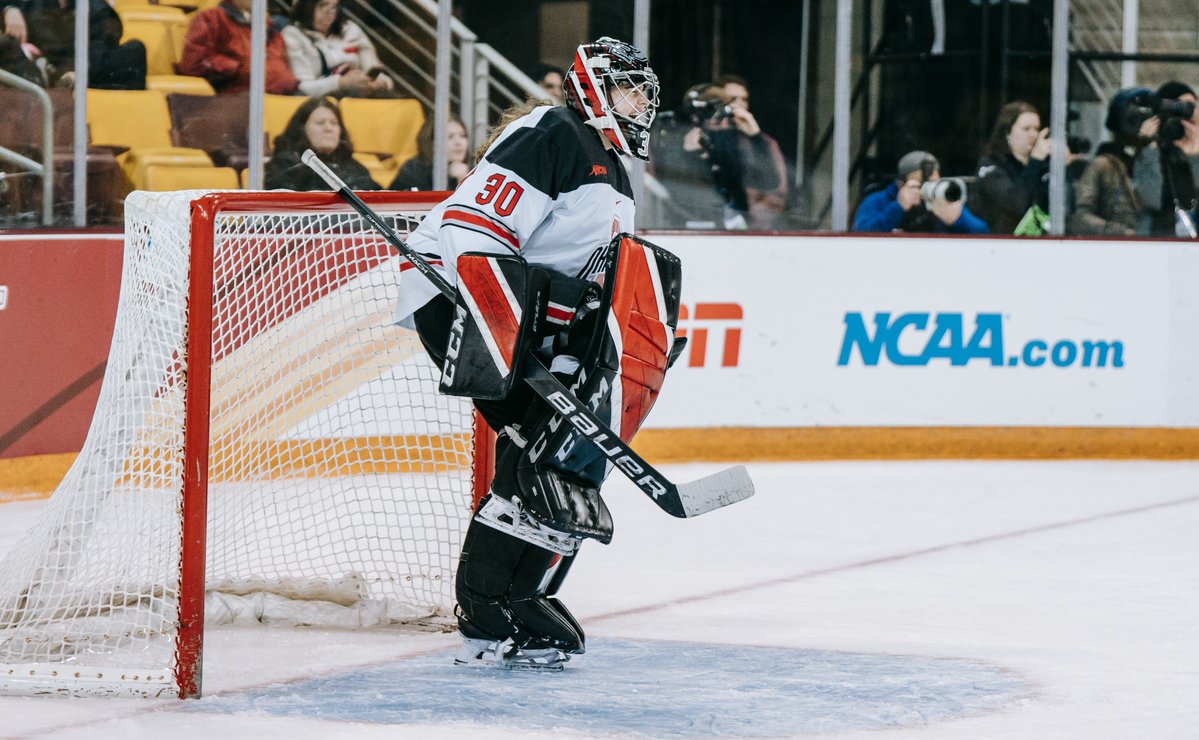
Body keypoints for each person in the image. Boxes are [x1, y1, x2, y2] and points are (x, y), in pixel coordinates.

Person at [393, 37, 679, 670]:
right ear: (594, 87)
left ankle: (517, 597)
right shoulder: (552, 131)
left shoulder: (613, 166)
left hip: (522, 316)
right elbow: (475, 234)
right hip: (469, 303)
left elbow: (601, 272)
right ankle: (488, 610)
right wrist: (509, 331)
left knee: (556, 458)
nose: (641, 103)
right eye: (629, 88)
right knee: (540, 453)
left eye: (645, 92)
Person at [650, 82, 780, 230]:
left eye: (724, 114)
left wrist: (756, 137)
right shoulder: (678, 143)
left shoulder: (732, 142)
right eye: (711, 115)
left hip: (736, 233)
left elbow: (769, 182)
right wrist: (687, 155)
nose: (721, 123)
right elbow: (673, 195)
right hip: (690, 231)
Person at [7, 0, 145, 89]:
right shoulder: (29, 6)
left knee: (135, 50)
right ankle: (50, 75)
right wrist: (9, 9)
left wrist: (75, 73)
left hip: (85, 73)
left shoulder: (97, 8)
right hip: (43, 68)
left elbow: (98, 54)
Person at [1068, 88, 1149, 236]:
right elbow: (1080, 218)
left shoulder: (1149, 163)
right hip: (1114, 249)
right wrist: (1123, 233)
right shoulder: (1102, 166)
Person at [178, 0, 298, 95]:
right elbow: (193, 63)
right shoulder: (211, 18)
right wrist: (237, 68)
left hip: (280, 92)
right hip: (235, 94)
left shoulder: (269, 27)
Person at [852, 150, 989, 234]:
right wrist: (898, 207)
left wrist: (959, 219)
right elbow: (859, 235)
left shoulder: (941, 198)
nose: (927, 189)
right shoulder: (878, 201)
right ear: (901, 185)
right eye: (921, 184)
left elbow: (985, 236)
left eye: (934, 182)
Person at [716, 74, 789, 229]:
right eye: (732, 99)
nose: (739, 104)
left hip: (754, 231)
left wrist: (747, 219)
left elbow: (778, 193)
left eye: (744, 99)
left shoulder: (765, 143)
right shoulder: (703, 137)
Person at [281, 0, 394, 98]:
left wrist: (382, 83)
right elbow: (303, 88)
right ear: (306, 8)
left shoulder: (350, 29)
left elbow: (373, 68)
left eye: (334, 6)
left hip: (359, 95)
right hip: (320, 102)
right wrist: (340, 83)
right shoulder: (292, 35)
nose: (329, 13)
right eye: (322, 5)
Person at [264, 96, 379, 190]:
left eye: (334, 123)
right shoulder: (285, 166)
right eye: (320, 123)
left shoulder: (355, 168)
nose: (329, 128)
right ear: (301, 129)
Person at [973, 101, 1052, 234]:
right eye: (1026, 129)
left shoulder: (1043, 167)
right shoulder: (990, 165)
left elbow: (1064, 209)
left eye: (1037, 129)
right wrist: (1035, 160)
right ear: (1007, 132)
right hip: (999, 244)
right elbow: (1017, 203)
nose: (1033, 134)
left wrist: (1065, 166)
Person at [1132, 80, 1199, 236]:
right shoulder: (1155, 153)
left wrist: (1194, 153)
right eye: (1178, 108)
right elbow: (1151, 200)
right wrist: (1148, 146)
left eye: (1192, 107)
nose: (1189, 114)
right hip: (1161, 242)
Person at [387, 113, 471, 191]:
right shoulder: (414, 170)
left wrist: (463, 179)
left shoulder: (474, 169)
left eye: (463, 135)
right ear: (432, 142)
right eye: (450, 137)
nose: (458, 142)